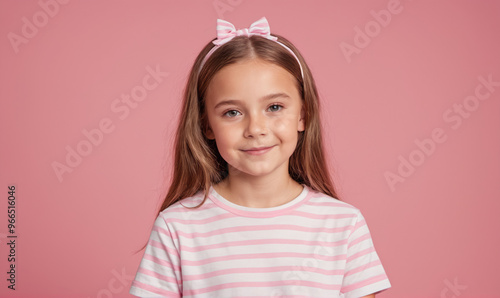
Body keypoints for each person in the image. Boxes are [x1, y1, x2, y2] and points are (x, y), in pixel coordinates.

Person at [129, 17, 391, 298]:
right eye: (232, 112)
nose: (255, 129)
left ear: (303, 114)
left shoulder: (343, 225)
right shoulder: (176, 227)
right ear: (207, 125)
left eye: (274, 107)